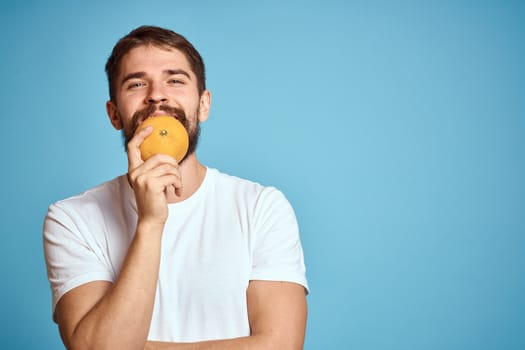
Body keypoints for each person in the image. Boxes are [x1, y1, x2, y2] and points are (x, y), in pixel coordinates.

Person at [43, 25, 308, 350]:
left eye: (175, 80)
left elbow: (282, 345)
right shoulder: (72, 218)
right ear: (114, 114)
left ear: (203, 105)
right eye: (137, 83)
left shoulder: (261, 207)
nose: (157, 94)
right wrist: (151, 223)